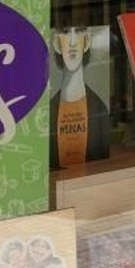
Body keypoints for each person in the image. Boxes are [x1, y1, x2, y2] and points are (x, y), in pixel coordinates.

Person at [49, 27, 109, 168]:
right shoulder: (47, 113)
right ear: (56, 43)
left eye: (79, 31)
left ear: (87, 41)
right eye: (65, 32)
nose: (73, 42)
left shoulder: (100, 109)